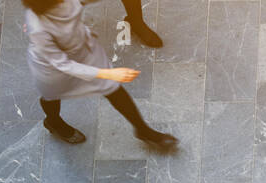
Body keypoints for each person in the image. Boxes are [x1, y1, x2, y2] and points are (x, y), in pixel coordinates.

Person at [23, 0, 177, 149]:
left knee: (113, 90)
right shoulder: (38, 28)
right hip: (54, 71)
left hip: (83, 51)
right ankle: (54, 121)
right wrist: (106, 73)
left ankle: (143, 130)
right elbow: (62, 64)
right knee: (51, 96)